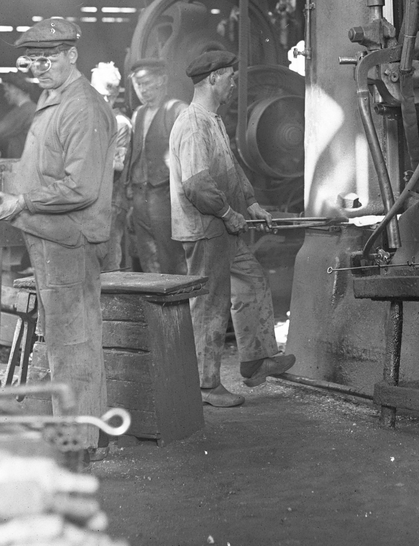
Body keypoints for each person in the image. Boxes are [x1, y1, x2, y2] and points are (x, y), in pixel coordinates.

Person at [0, 17, 114, 459]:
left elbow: (82, 187)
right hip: (49, 235)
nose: (39, 67)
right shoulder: (53, 98)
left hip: (69, 242)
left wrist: (22, 201)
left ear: (72, 55)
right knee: (69, 340)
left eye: (49, 58)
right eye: (33, 60)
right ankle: (85, 435)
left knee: (72, 344)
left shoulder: (82, 107)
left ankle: (78, 445)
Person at [169, 49, 296, 408]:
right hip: (205, 229)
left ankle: (256, 361)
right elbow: (197, 184)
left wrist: (251, 203)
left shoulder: (212, 120)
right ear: (213, 79)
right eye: (230, 77)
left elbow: (231, 168)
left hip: (223, 228)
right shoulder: (192, 123)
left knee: (252, 282)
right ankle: (206, 386)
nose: (234, 83)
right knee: (210, 306)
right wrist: (228, 213)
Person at [122, 58, 187, 274]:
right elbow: (133, 155)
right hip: (140, 196)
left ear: (162, 80)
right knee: (147, 256)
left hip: (165, 196)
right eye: (138, 85)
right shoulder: (138, 114)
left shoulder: (177, 110)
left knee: (171, 256)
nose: (142, 90)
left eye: (147, 83)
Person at [90, 62, 132, 271]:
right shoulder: (91, 120)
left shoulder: (120, 123)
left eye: (111, 96)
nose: (106, 101)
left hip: (112, 201)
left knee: (109, 260)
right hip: (92, 200)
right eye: (101, 95)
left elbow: (117, 165)